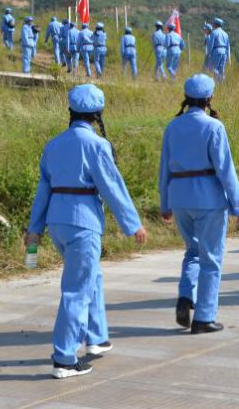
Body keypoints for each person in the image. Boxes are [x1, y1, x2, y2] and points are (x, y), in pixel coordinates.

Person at [25, 85, 147, 379]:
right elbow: (112, 186)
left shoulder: (53, 145)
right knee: (76, 289)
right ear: (97, 114)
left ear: (71, 111)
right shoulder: (96, 145)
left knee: (91, 276)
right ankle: (65, 358)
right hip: (83, 222)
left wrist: (34, 228)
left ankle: (97, 337)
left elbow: (44, 188)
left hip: (57, 221)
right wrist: (133, 224)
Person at [158, 74, 239, 333]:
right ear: (209, 98)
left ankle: (186, 295)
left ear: (187, 97)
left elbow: (164, 168)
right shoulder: (213, 127)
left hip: (179, 197)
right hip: (208, 199)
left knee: (192, 251)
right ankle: (204, 317)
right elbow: (225, 169)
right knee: (211, 258)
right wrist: (238, 206)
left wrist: (165, 203)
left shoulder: (173, 126)